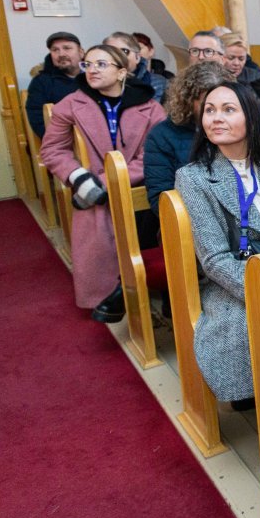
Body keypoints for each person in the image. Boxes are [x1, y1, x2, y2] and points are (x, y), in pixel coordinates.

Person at [175, 82, 260, 408]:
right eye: (210, 110)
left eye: (228, 109)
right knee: (249, 323)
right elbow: (214, 259)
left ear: (251, 117)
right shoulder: (194, 177)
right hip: (234, 279)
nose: (216, 118)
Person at [40, 45, 165, 322]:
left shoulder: (150, 106)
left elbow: (153, 154)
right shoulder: (71, 103)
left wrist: (105, 182)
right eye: (87, 64)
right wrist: (78, 177)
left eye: (101, 64)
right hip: (91, 188)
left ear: (121, 72)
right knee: (96, 220)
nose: (92, 70)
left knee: (155, 221)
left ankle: (152, 290)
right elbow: (52, 150)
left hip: (137, 185)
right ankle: (111, 294)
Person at [143, 61, 231, 220]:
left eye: (224, 105)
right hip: (188, 222)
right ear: (188, 100)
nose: (217, 113)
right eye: (207, 104)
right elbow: (161, 200)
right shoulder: (162, 135)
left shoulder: (239, 128)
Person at [26, 31, 84, 138]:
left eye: (67, 48)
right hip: (63, 141)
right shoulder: (41, 82)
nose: (61, 54)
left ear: (81, 52)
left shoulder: (94, 76)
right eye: (55, 50)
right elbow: (38, 120)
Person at [105, 31, 167, 103]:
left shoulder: (158, 83)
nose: (118, 56)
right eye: (111, 52)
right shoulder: (98, 80)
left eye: (125, 51)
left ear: (137, 57)